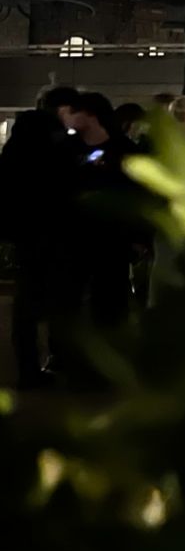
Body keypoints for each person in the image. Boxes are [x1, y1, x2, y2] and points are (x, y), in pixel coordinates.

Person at [52, 93, 141, 383]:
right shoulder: (66, 149)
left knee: (110, 302)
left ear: (90, 114)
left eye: (74, 112)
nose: (68, 118)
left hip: (111, 239)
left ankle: (107, 363)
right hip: (73, 238)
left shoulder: (123, 150)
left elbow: (135, 193)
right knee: (70, 301)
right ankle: (68, 361)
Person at [0, 86, 82, 387]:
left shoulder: (19, 141)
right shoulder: (56, 141)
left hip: (27, 230)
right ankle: (59, 361)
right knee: (62, 299)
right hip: (58, 229)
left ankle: (28, 368)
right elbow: (69, 182)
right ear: (63, 109)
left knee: (28, 303)